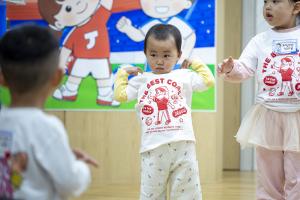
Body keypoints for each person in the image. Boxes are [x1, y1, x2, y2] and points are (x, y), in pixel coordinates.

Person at [114, 24, 214, 200]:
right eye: (153, 55)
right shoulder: (141, 80)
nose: (159, 61)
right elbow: (121, 96)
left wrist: (195, 63)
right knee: (151, 194)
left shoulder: (184, 75)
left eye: (167, 55)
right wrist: (122, 73)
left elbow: (208, 82)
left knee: (187, 194)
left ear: (179, 55)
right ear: (145, 53)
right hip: (153, 148)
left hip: (184, 145)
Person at [0, 24, 98, 200]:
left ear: (2, 78)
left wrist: (64, 156)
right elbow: (70, 184)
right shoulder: (47, 128)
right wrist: (80, 166)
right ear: (57, 78)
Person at [218, 0, 300, 199]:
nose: (268, 7)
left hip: (297, 116)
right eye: (265, 2)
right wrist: (231, 68)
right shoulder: (259, 40)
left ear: (296, 7)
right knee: (268, 174)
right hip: (268, 115)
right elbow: (245, 69)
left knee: (296, 176)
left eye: (275, 1)